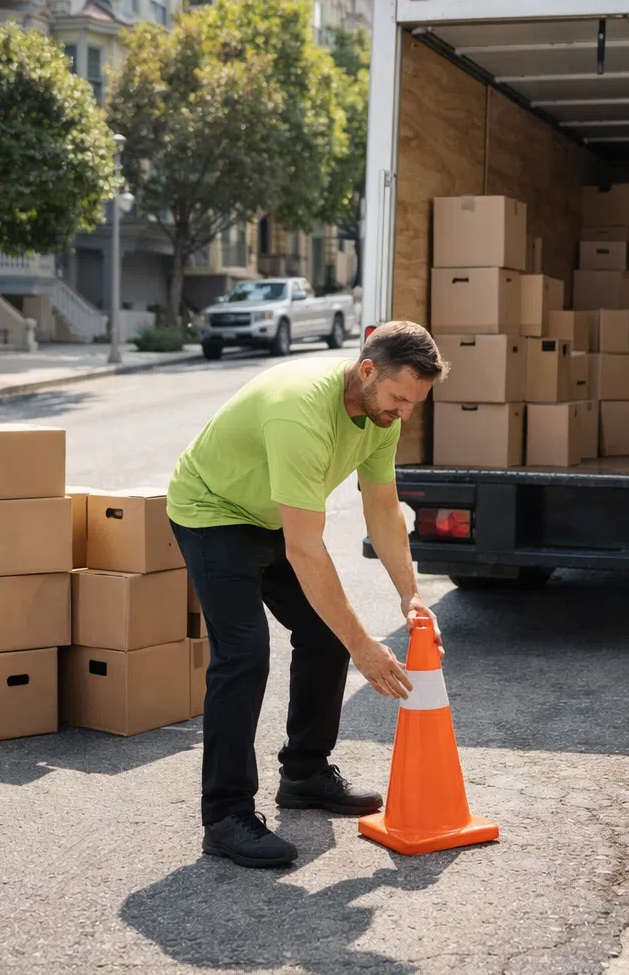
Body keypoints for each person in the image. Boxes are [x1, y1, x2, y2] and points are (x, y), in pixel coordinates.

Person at [165, 320, 448, 868]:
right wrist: (366, 646)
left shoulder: (379, 413)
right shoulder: (302, 411)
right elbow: (304, 548)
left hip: (270, 513)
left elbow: (383, 508)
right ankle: (225, 816)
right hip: (213, 513)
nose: (404, 413)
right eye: (398, 398)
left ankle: (305, 773)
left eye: (415, 402)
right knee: (243, 655)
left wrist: (410, 595)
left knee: (326, 633)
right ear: (367, 370)